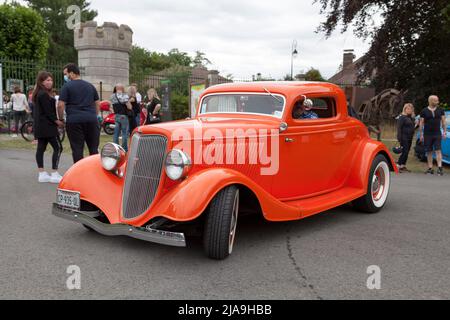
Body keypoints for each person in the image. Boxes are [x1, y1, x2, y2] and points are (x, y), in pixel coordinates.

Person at [58, 63, 101, 163]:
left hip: (74, 120)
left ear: (72, 73)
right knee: (93, 148)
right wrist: (95, 115)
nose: (65, 76)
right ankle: (94, 171)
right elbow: (97, 103)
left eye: (66, 74)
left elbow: (60, 105)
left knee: (77, 148)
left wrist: (61, 119)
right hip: (91, 119)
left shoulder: (66, 86)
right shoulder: (90, 86)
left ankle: (79, 173)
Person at [32, 71, 64, 183]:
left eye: (51, 80)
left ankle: (42, 174)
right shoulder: (43, 94)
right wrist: (58, 121)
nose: (50, 82)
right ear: (41, 82)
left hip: (40, 126)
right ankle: (54, 173)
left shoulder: (39, 93)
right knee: (58, 148)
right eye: (47, 80)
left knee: (41, 148)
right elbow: (48, 112)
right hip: (48, 126)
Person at [420, 95, 447, 176]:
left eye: (437, 100)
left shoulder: (440, 110)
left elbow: (443, 121)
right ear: (431, 101)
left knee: (438, 150)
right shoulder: (424, 111)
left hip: (437, 133)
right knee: (429, 151)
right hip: (427, 134)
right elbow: (421, 123)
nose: (437, 102)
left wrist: (444, 132)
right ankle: (430, 168)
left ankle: (440, 168)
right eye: (436, 100)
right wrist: (421, 134)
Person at [111, 84, 132, 151]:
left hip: (116, 115)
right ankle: (124, 148)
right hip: (123, 116)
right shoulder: (124, 96)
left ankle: (116, 148)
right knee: (124, 133)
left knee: (116, 132)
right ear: (122, 89)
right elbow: (129, 107)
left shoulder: (112, 96)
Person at [397, 103, 416, 173]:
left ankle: (403, 165)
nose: (410, 110)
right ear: (405, 109)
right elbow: (399, 128)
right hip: (403, 137)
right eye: (408, 109)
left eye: (411, 109)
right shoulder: (402, 117)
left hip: (410, 137)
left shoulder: (411, 118)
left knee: (407, 151)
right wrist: (399, 138)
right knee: (404, 151)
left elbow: (412, 127)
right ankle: (398, 165)